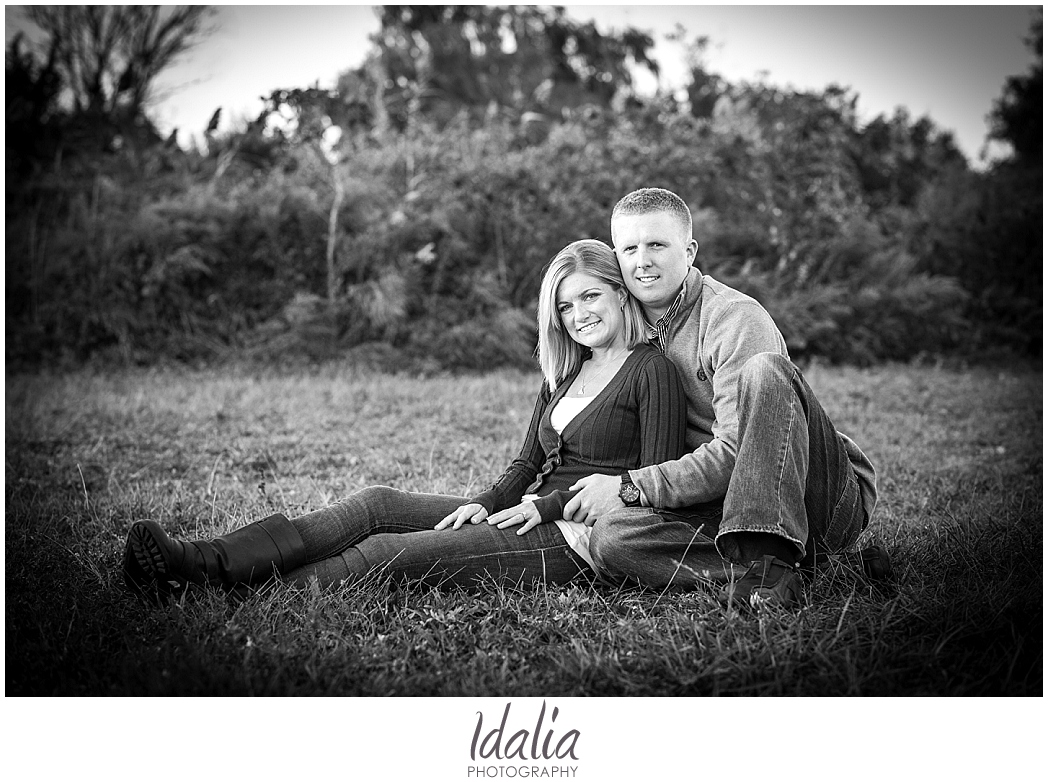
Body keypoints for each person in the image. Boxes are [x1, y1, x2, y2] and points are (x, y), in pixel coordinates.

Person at [122, 239, 688, 603]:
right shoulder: (564, 373)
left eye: (590, 297)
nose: (578, 315)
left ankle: (205, 595)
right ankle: (199, 560)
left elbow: (651, 486)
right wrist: (486, 504)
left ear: (619, 293)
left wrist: (545, 507)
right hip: (519, 514)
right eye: (564, 307)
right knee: (376, 505)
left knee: (386, 555)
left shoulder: (650, 371)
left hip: (574, 542)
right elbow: (525, 464)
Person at [562, 187, 883, 609]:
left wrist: (628, 488)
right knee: (614, 539)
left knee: (764, 370)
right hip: (724, 502)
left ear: (690, 251)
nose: (642, 261)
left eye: (657, 244)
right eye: (629, 249)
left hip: (813, 494)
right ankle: (811, 569)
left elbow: (738, 450)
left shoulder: (733, 318)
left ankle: (775, 561)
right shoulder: (622, 325)